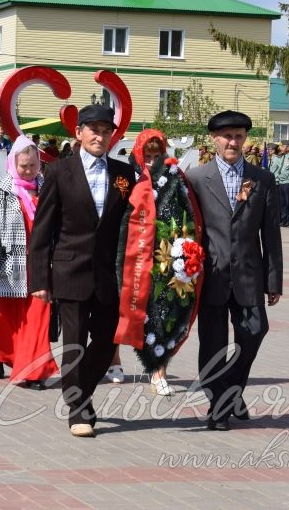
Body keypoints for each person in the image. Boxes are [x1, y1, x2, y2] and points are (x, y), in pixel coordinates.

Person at [28, 104, 136, 438]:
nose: (100, 136)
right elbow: (43, 229)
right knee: (73, 342)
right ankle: (78, 410)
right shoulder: (60, 171)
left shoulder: (123, 173)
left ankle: (81, 393)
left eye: (106, 131)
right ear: (79, 133)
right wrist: (39, 279)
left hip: (108, 275)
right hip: (69, 270)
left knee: (106, 343)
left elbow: (131, 226)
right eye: (93, 130)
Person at [185, 110, 282, 431]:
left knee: (254, 333)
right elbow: (188, 229)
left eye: (239, 136)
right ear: (214, 139)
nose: (233, 142)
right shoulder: (198, 178)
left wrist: (273, 280)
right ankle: (220, 406)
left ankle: (230, 392)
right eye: (227, 136)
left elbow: (270, 234)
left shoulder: (262, 179)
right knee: (212, 345)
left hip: (249, 276)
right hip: (210, 275)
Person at [115, 129, 203, 397]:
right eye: (147, 155)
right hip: (128, 258)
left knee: (162, 315)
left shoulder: (176, 179)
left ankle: (158, 371)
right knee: (120, 309)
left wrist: (183, 248)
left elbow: (189, 215)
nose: (152, 161)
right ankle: (114, 359)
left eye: (157, 155)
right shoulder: (126, 178)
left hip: (164, 260)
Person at [0, 136, 58, 389]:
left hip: (40, 266)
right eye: (24, 166)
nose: (29, 170)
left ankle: (34, 370)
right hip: (7, 262)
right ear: (13, 162)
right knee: (5, 319)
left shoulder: (48, 187)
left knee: (38, 317)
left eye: (33, 165)